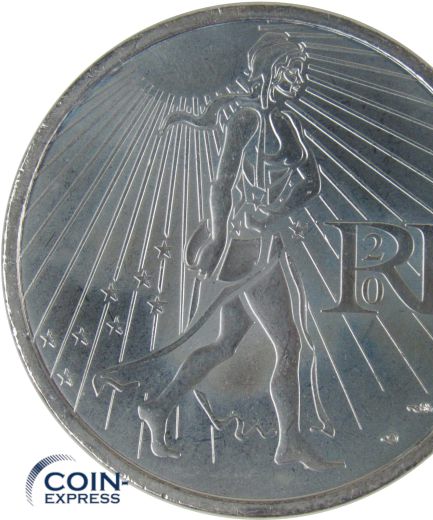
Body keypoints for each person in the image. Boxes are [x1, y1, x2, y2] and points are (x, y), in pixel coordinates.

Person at [93, 32, 344, 471]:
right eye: (292, 69)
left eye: (302, 71)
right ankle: (289, 443)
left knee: (227, 343)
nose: (300, 78)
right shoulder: (247, 118)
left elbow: (311, 181)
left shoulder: (283, 122)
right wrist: (218, 237)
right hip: (245, 250)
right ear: (271, 71)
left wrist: (276, 208)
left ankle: (158, 407)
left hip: (262, 242)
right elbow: (221, 183)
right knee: (289, 345)